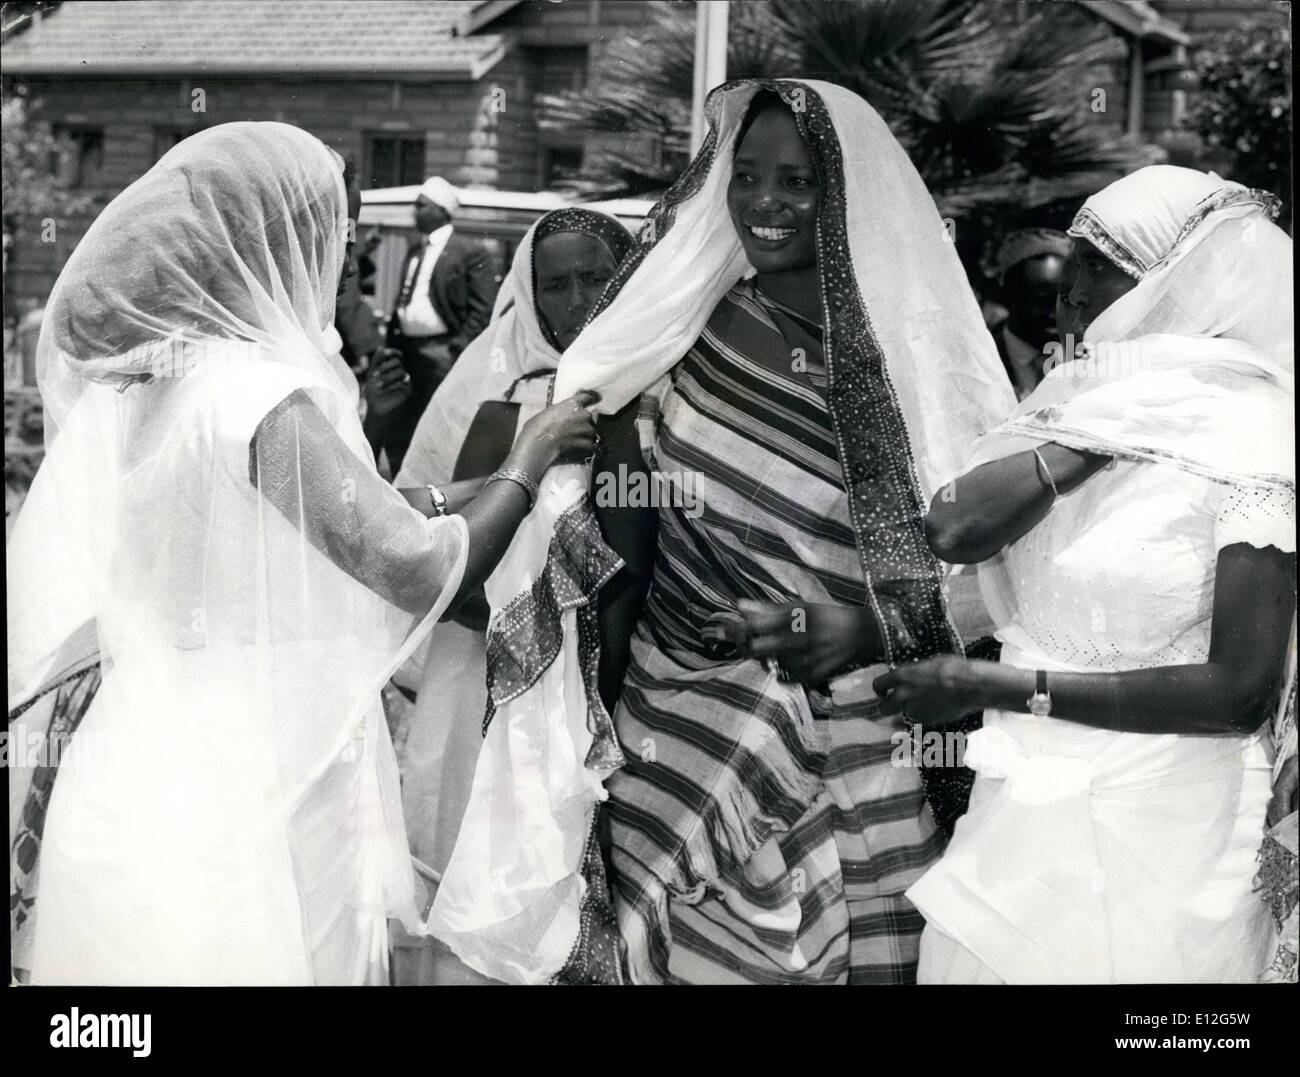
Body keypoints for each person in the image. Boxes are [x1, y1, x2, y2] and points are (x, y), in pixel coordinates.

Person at [429, 79, 1015, 986]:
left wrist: (864, 625)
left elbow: (998, 574)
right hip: (680, 717)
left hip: (864, 732)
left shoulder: (921, 358)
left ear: (849, 193)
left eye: (797, 181)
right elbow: (617, 542)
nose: (765, 204)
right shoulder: (677, 332)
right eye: (747, 176)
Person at [5, 122, 599, 986]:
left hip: (138, 761)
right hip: (257, 782)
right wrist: (530, 454)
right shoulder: (261, 392)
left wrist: (443, 495)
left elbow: (292, 520)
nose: (348, 266)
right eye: (341, 237)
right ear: (281, 249)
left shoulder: (163, 379)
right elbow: (413, 566)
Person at [876, 166, 1295, 983]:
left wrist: (1005, 686)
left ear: (1175, 286)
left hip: (1177, 839)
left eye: (1089, 279)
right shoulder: (1076, 406)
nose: (1065, 307)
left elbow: (1239, 692)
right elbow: (954, 526)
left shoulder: (1258, 436)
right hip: (1020, 815)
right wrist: (1096, 439)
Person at [386, 206, 636, 985]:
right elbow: (451, 558)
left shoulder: (672, 386)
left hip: (633, 687)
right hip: (499, 690)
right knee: (497, 884)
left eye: (595, 276)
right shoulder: (509, 403)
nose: (575, 299)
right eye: (553, 284)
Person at [375, 177, 498, 473]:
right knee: (402, 424)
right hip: (407, 351)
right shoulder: (416, 250)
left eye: (421, 205)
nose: (414, 211)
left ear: (441, 210)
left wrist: (456, 351)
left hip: (442, 353)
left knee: (441, 423)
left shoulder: (469, 251)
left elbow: (482, 308)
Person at [991, 228, 1071, 400]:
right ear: (1007, 295)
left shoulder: (1093, 360)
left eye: (1065, 298)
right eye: (1042, 298)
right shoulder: (983, 361)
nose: (1056, 311)